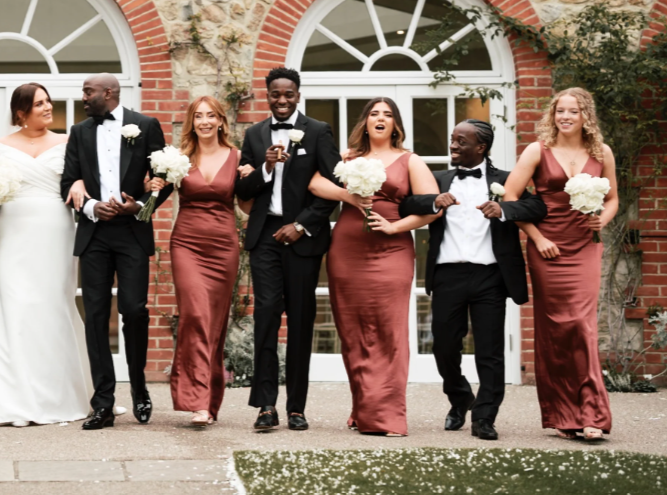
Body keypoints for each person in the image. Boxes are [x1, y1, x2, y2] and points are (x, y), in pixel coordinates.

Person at [399, 119, 547, 441]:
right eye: (453, 139)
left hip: (490, 276)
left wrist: (503, 209)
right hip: (447, 274)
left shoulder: (504, 180)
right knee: (443, 346)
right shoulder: (438, 179)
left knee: (490, 351)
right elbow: (405, 203)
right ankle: (460, 397)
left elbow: (537, 206)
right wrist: (433, 201)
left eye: (461, 141)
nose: (453, 145)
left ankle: (484, 416)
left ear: (481, 147)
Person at [308, 97, 439, 436]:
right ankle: (364, 409)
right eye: (374, 113)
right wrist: (347, 196)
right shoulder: (348, 158)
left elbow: (434, 208)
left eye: (388, 114)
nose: (381, 118)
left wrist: (395, 227)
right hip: (348, 249)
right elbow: (315, 183)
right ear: (365, 122)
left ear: (395, 125)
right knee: (353, 332)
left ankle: (388, 417)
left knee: (388, 331)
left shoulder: (410, 160)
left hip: (392, 250)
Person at [502, 88, 617, 441]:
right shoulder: (537, 150)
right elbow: (510, 197)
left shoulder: (601, 152)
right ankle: (564, 416)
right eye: (560, 111)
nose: (565, 117)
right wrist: (537, 238)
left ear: (585, 116)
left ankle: (592, 414)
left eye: (573, 111)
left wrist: (602, 220)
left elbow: (613, 198)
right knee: (555, 329)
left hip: (585, 246)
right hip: (547, 248)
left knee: (582, 326)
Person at [0, 83, 93, 426]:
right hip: (13, 232)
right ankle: (17, 400)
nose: (47, 107)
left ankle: (61, 394)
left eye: (48, 101)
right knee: (17, 308)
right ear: (21, 112)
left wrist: (79, 182)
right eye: (39, 103)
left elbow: (85, 177)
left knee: (54, 305)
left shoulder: (68, 142)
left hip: (55, 229)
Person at [61, 73, 171, 430]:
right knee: (95, 316)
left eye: (87, 92)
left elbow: (165, 178)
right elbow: (68, 182)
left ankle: (139, 387)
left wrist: (139, 205)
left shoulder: (146, 125)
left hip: (132, 232)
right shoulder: (79, 132)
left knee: (134, 311)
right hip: (94, 234)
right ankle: (103, 403)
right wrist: (92, 206)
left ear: (108, 93)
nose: (83, 97)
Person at [234, 67, 341, 432]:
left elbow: (334, 187)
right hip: (265, 235)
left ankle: (296, 407)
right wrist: (264, 167)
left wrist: (302, 225)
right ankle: (266, 406)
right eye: (275, 94)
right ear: (267, 95)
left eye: (288, 94)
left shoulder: (318, 131)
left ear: (298, 95)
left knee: (300, 319)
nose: (282, 100)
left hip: (301, 238)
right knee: (265, 315)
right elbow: (242, 191)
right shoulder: (254, 134)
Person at [165, 96, 243, 426]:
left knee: (214, 323)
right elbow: (155, 195)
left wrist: (256, 176)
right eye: (199, 116)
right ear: (192, 122)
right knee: (195, 315)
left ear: (222, 121)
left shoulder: (238, 157)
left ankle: (209, 402)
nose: (205, 121)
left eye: (212, 116)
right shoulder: (179, 158)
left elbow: (248, 205)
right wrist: (150, 185)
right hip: (187, 244)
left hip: (224, 246)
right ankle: (197, 401)